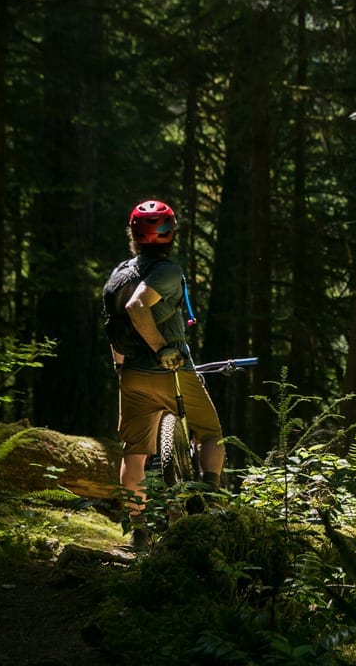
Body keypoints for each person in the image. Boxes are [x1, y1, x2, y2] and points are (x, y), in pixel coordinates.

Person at [110, 199, 223, 547]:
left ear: (133, 234)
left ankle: (138, 530)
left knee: (134, 452)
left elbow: (114, 329)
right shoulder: (167, 272)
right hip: (169, 373)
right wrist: (162, 349)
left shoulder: (117, 276)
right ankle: (208, 504)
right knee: (211, 433)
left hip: (130, 375)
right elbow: (137, 306)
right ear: (170, 234)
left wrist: (122, 367)